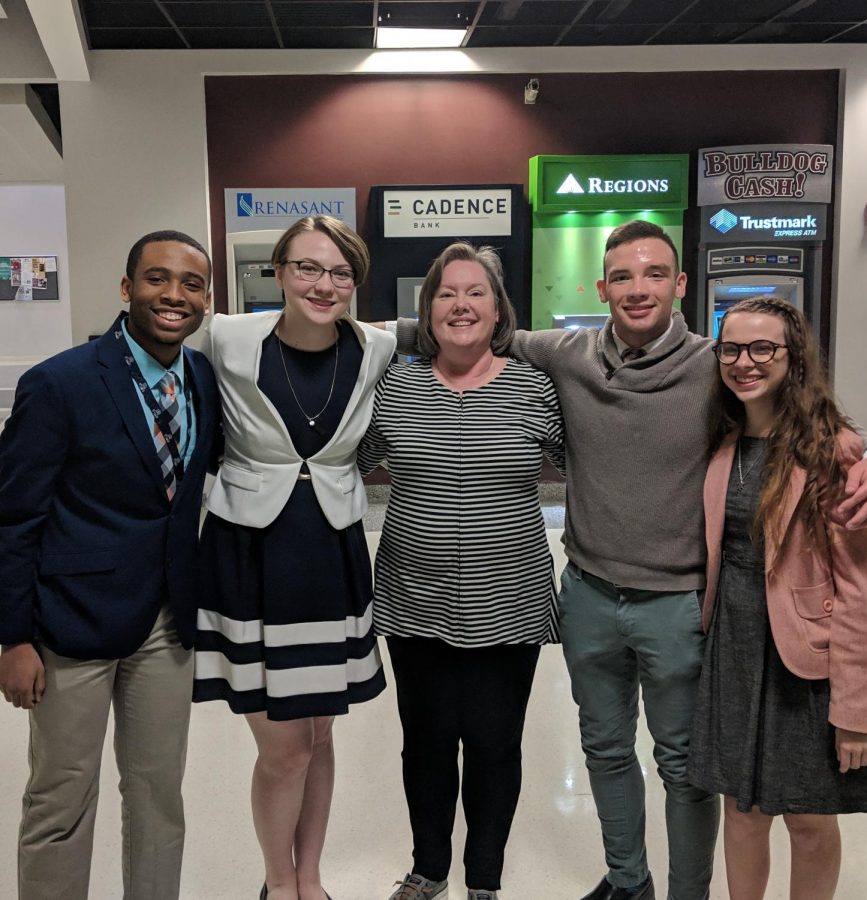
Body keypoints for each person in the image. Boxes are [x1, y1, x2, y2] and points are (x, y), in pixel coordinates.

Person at [391, 219, 867, 900]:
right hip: (591, 595)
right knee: (604, 750)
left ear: (680, 283)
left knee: (684, 765)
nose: (638, 289)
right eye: (622, 276)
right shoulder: (566, 353)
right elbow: (466, 325)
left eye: (654, 273)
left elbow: (801, 408)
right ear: (602, 286)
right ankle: (628, 881)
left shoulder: (714, 363)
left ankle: (687, 893)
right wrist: (355, 331)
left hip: (678, 604)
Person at [0, 231, 219, 900]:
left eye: (190, 283)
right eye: (157, 279)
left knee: (159, 795)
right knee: (61, 800)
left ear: (206, 298)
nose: (174, 295)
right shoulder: (59, 383)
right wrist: (13, 638)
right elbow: (13, 518)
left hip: (167, 622)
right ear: (127, 289)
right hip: (71, 624)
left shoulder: (203, 378)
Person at [192, 215, 396, 900]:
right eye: (307, 267)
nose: (323, 283)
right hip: (250, 553)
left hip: (332, 553)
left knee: (320, 735)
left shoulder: (376, 346)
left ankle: (311, 876)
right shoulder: (226, 337)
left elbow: (476, 323)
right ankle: (278, 882)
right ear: (277, 271)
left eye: (340, 272)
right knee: (282, 748)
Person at [358, 242, 565, 900]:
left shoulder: (534, 387)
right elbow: (341, 460)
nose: (461, 305)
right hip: (413, 598)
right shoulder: (397, 386)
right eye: (447, 293)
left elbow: (598, 460)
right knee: (424, 743)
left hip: (510, 601)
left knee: (494, 746)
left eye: (477, 292)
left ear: (499, 309)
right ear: (428, 310)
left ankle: (484, 881)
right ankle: (428, 871)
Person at [687, 296, 867, 900]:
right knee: (742, 812)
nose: (744, 362)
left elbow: (861, 590)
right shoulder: (721, 440)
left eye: (763, 348)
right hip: (734, 651)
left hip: (806, 663)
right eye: (732, 348)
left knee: (808, 816)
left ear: (793, 357)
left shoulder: (832, 451)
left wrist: (857, 712)